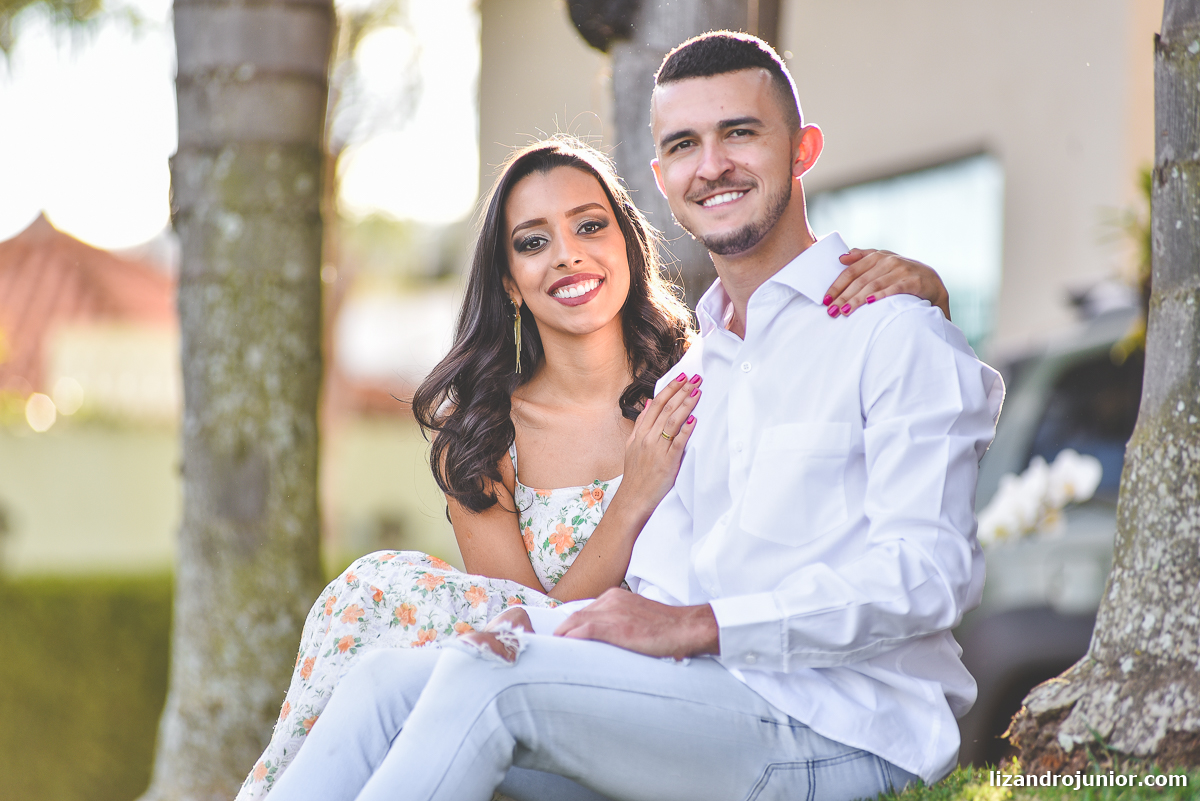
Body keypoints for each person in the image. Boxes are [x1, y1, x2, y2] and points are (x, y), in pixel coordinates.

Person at [239, 57, 967, 796]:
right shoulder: (697, 378)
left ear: (803, 150)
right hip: (701, 709)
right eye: (685, 145)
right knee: (391, 681)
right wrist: (532, 632)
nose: (712, 166)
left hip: (843, 729)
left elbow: (928, 577)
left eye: (739, 133)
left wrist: (697, 625)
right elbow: (646, 592)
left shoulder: (890, 333)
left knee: (488, 686)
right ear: (662, 178)